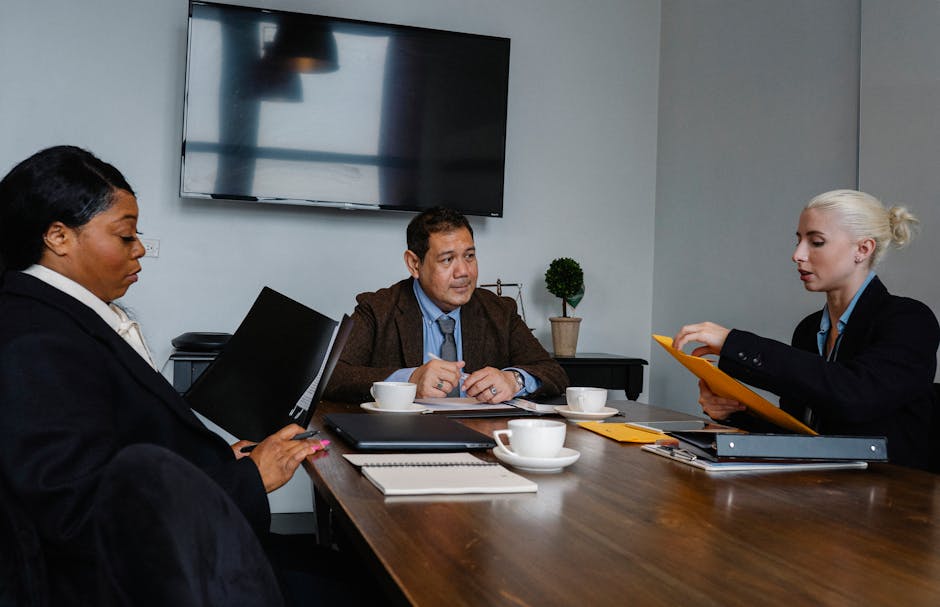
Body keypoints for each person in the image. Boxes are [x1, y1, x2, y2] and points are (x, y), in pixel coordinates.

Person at [0, 146, 330, 604]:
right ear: (59, 236)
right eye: (125, 236)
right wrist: (249, 478)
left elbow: (120, 444)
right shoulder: (35, 341)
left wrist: (216, 464)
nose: (139, 250)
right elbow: (77, 514)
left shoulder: (59, 317)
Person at [672, 189, 939, 469]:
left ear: (863, 249)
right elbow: (803, 434)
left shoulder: (910, 319)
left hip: (895, 498)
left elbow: (854, 395)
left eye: (817, 242)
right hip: (823, 490)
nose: (797, 255)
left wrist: (734, 343)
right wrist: (733, 413)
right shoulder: (808, 329)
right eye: (799, 240)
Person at [325, 206, 568, 403]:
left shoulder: (499, 311)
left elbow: (553, 372)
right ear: (414, 264)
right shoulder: (378, 309)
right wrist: (409, 380)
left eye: (469, 256)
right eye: (447, 259)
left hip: (482, 441)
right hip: (402, 442)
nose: (464, 272)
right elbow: (331, 378)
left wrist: (514, 380)